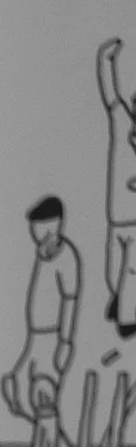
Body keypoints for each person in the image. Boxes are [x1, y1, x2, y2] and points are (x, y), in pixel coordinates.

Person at [2, 196, 82, 447]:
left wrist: (65, 343)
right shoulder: (42, 252)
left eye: (41, 227)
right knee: (16, 389)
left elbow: (70, 302)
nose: (37, 233)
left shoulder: (66, 257)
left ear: (56, 224)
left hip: (53, 338)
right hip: (34, 337)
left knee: (43, 396)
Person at [99, 38, 136, 334]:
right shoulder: (123, 124)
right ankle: (118, 302)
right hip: (117, 218)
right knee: (114, 273)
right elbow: (111, 98)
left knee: (132, 271)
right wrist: (107, 59)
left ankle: (128, 320)